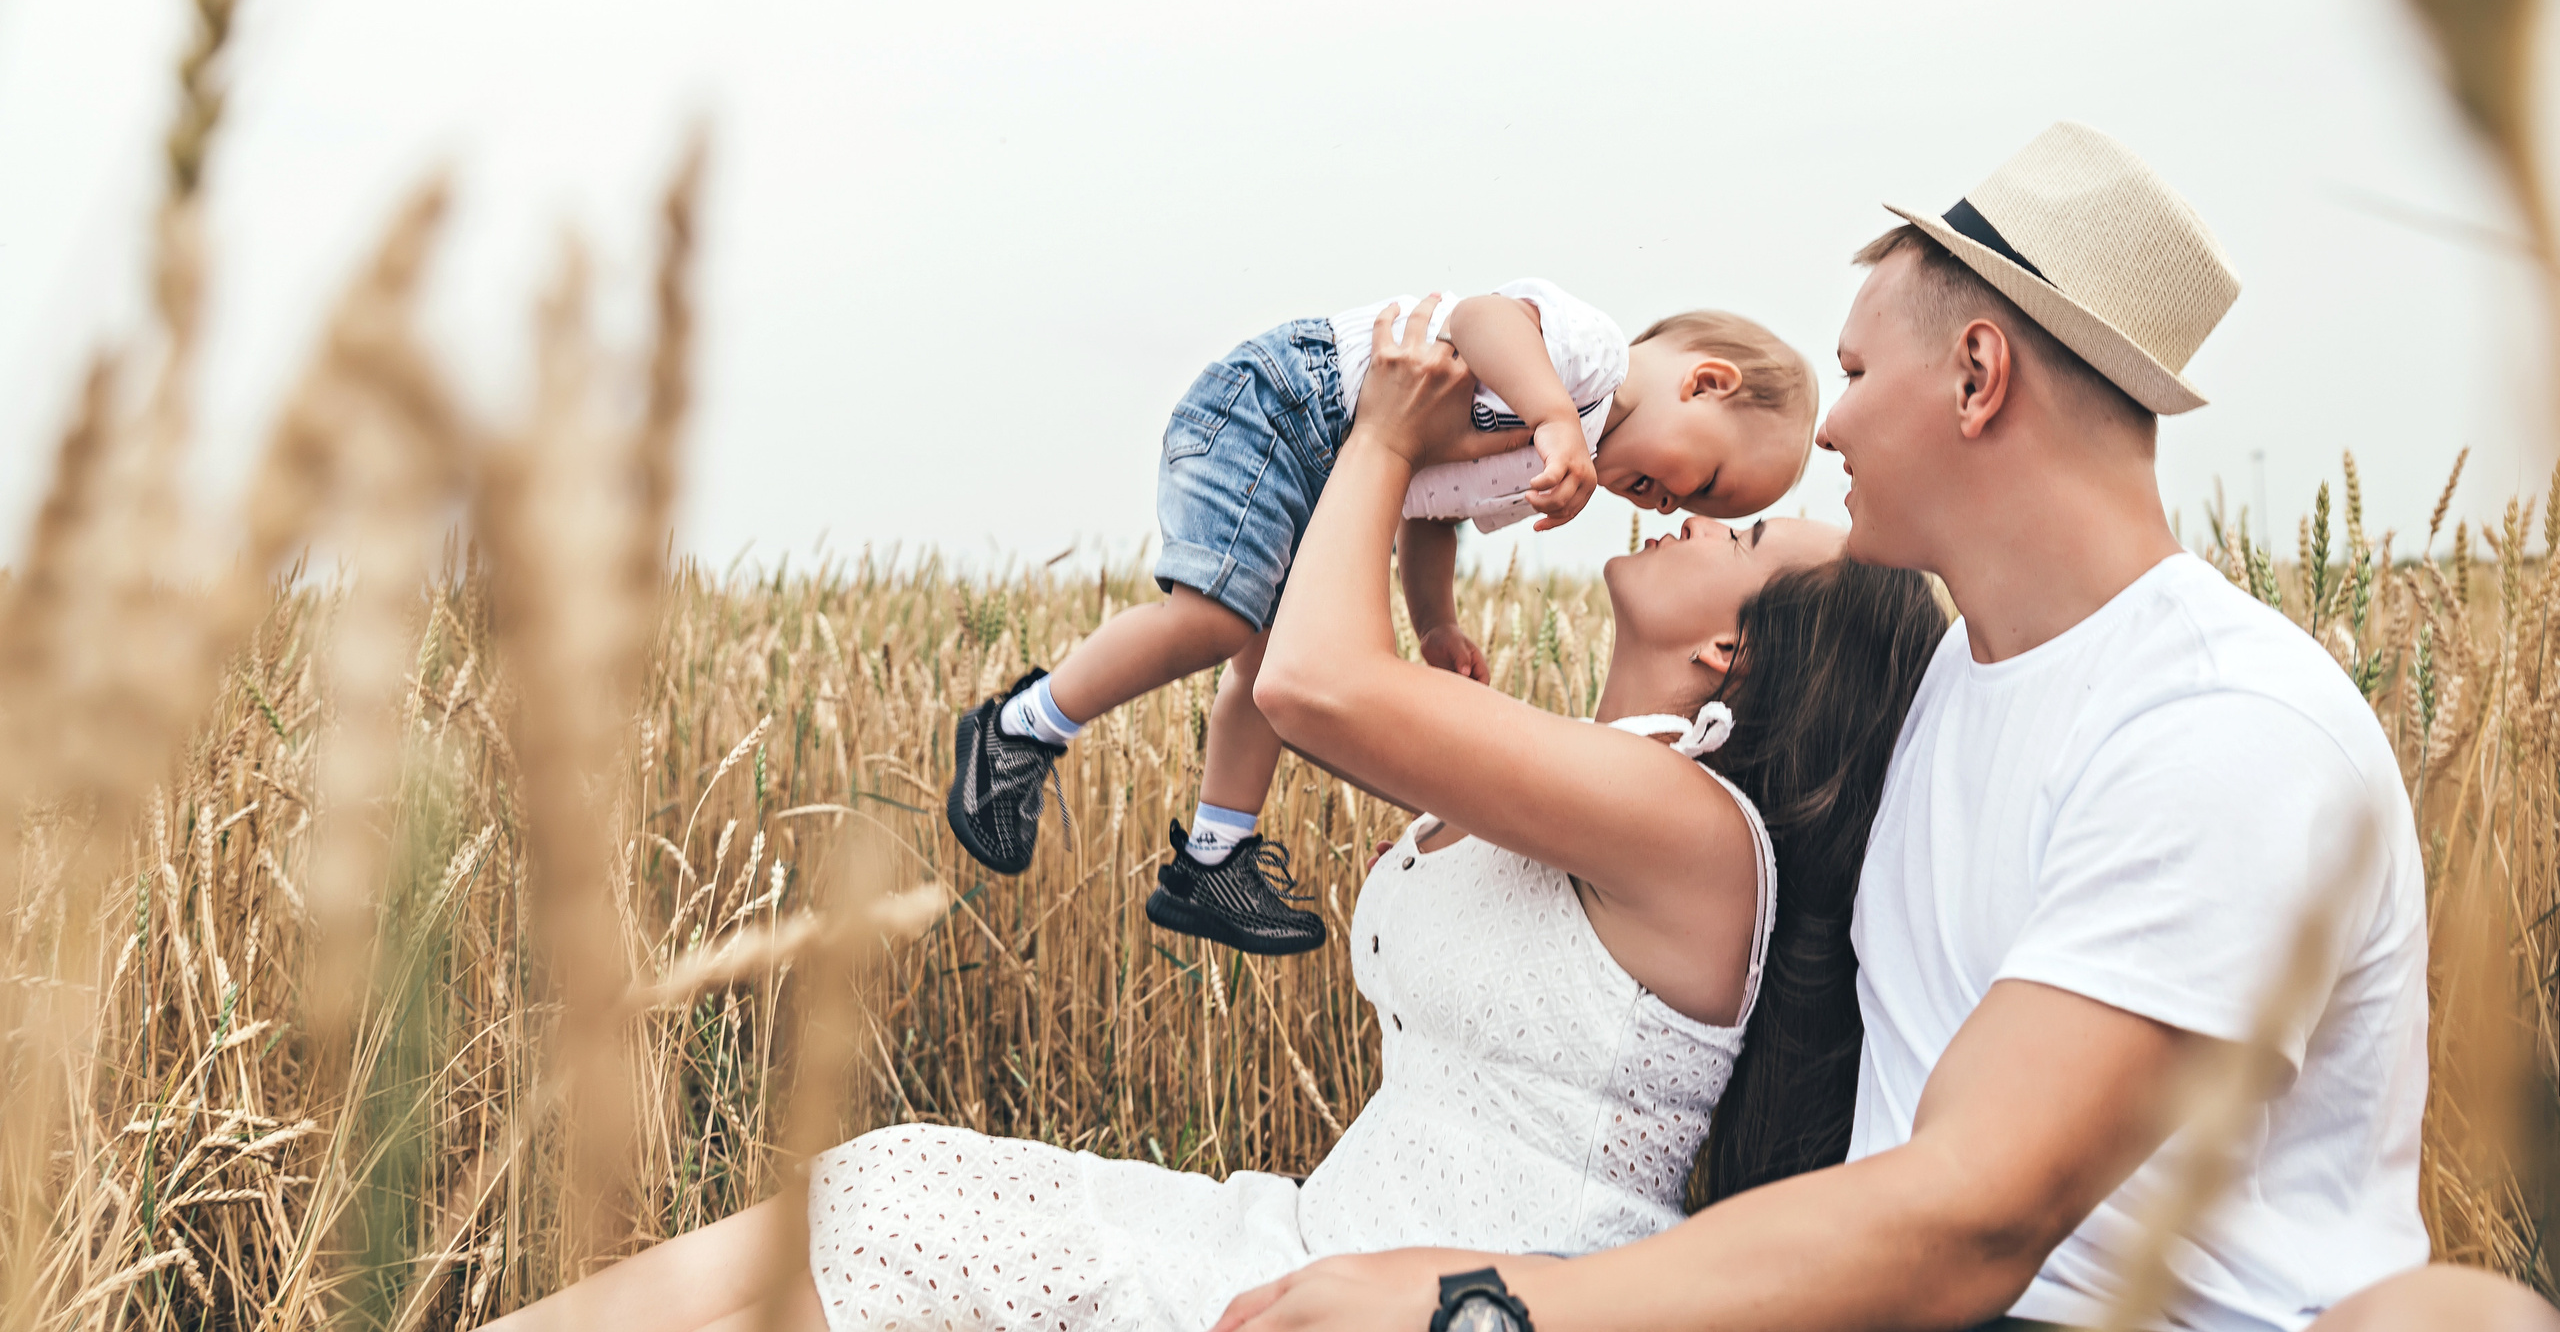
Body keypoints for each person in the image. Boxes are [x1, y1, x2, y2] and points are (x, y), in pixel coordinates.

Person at [484, 299, 1945, 1332]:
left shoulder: (1685, 825)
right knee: (885, 1178)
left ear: (1731, 657)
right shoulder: (1590, 775)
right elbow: (1303, 671)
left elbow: (1310, 677)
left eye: (1739, 533)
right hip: (1319, 1234)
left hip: (1427, 1295)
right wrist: (1402, 589)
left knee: (900, 1245)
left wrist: (1380, 436)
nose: (1689, 515)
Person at [1216, 122, 2437, 1332]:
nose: (1831, 431)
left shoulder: (2221, 727)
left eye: (1853, 374)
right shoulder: (1947, 687)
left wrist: (1480, 1301)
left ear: (1975, 373)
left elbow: (1975, 1217)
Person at [946, 279, 1819, 956]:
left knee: (1262, 665)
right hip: (1284, 409)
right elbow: (1482, 317)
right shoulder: (1587, 363)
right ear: (1705, 382)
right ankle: (1020, 728)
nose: (1671, 507)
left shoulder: (1553, 469)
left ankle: (1214, 856)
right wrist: (1553, 413)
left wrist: (1434, 621)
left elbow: (1426, 510)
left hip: (1337, 472)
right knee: (1213, 621)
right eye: (1703, 484)